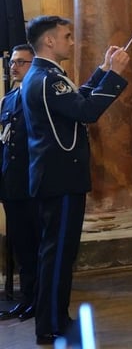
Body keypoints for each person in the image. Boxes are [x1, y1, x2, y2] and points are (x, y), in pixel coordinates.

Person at [21, 15, 129, 345]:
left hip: (56, 176)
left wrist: (102, 69)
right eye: (67, 36)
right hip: (61, 178)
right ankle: (51, 324)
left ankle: (54, 319)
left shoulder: (45, 75)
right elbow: (86, 112)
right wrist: (114, 76)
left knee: (57, 252)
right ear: (49, 41)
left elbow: (76, 99)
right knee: (57, 253)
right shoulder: (47, 78)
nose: (71, 41)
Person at [0, 44, 37, 322]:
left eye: (21, 62)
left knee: (36, 245)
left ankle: (38, 299)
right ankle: (27, 298)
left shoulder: (36, 97)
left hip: (32, 182)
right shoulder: (9, 99)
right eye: (13, 62)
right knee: (21, 247)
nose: (14, 66)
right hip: (12, 184)